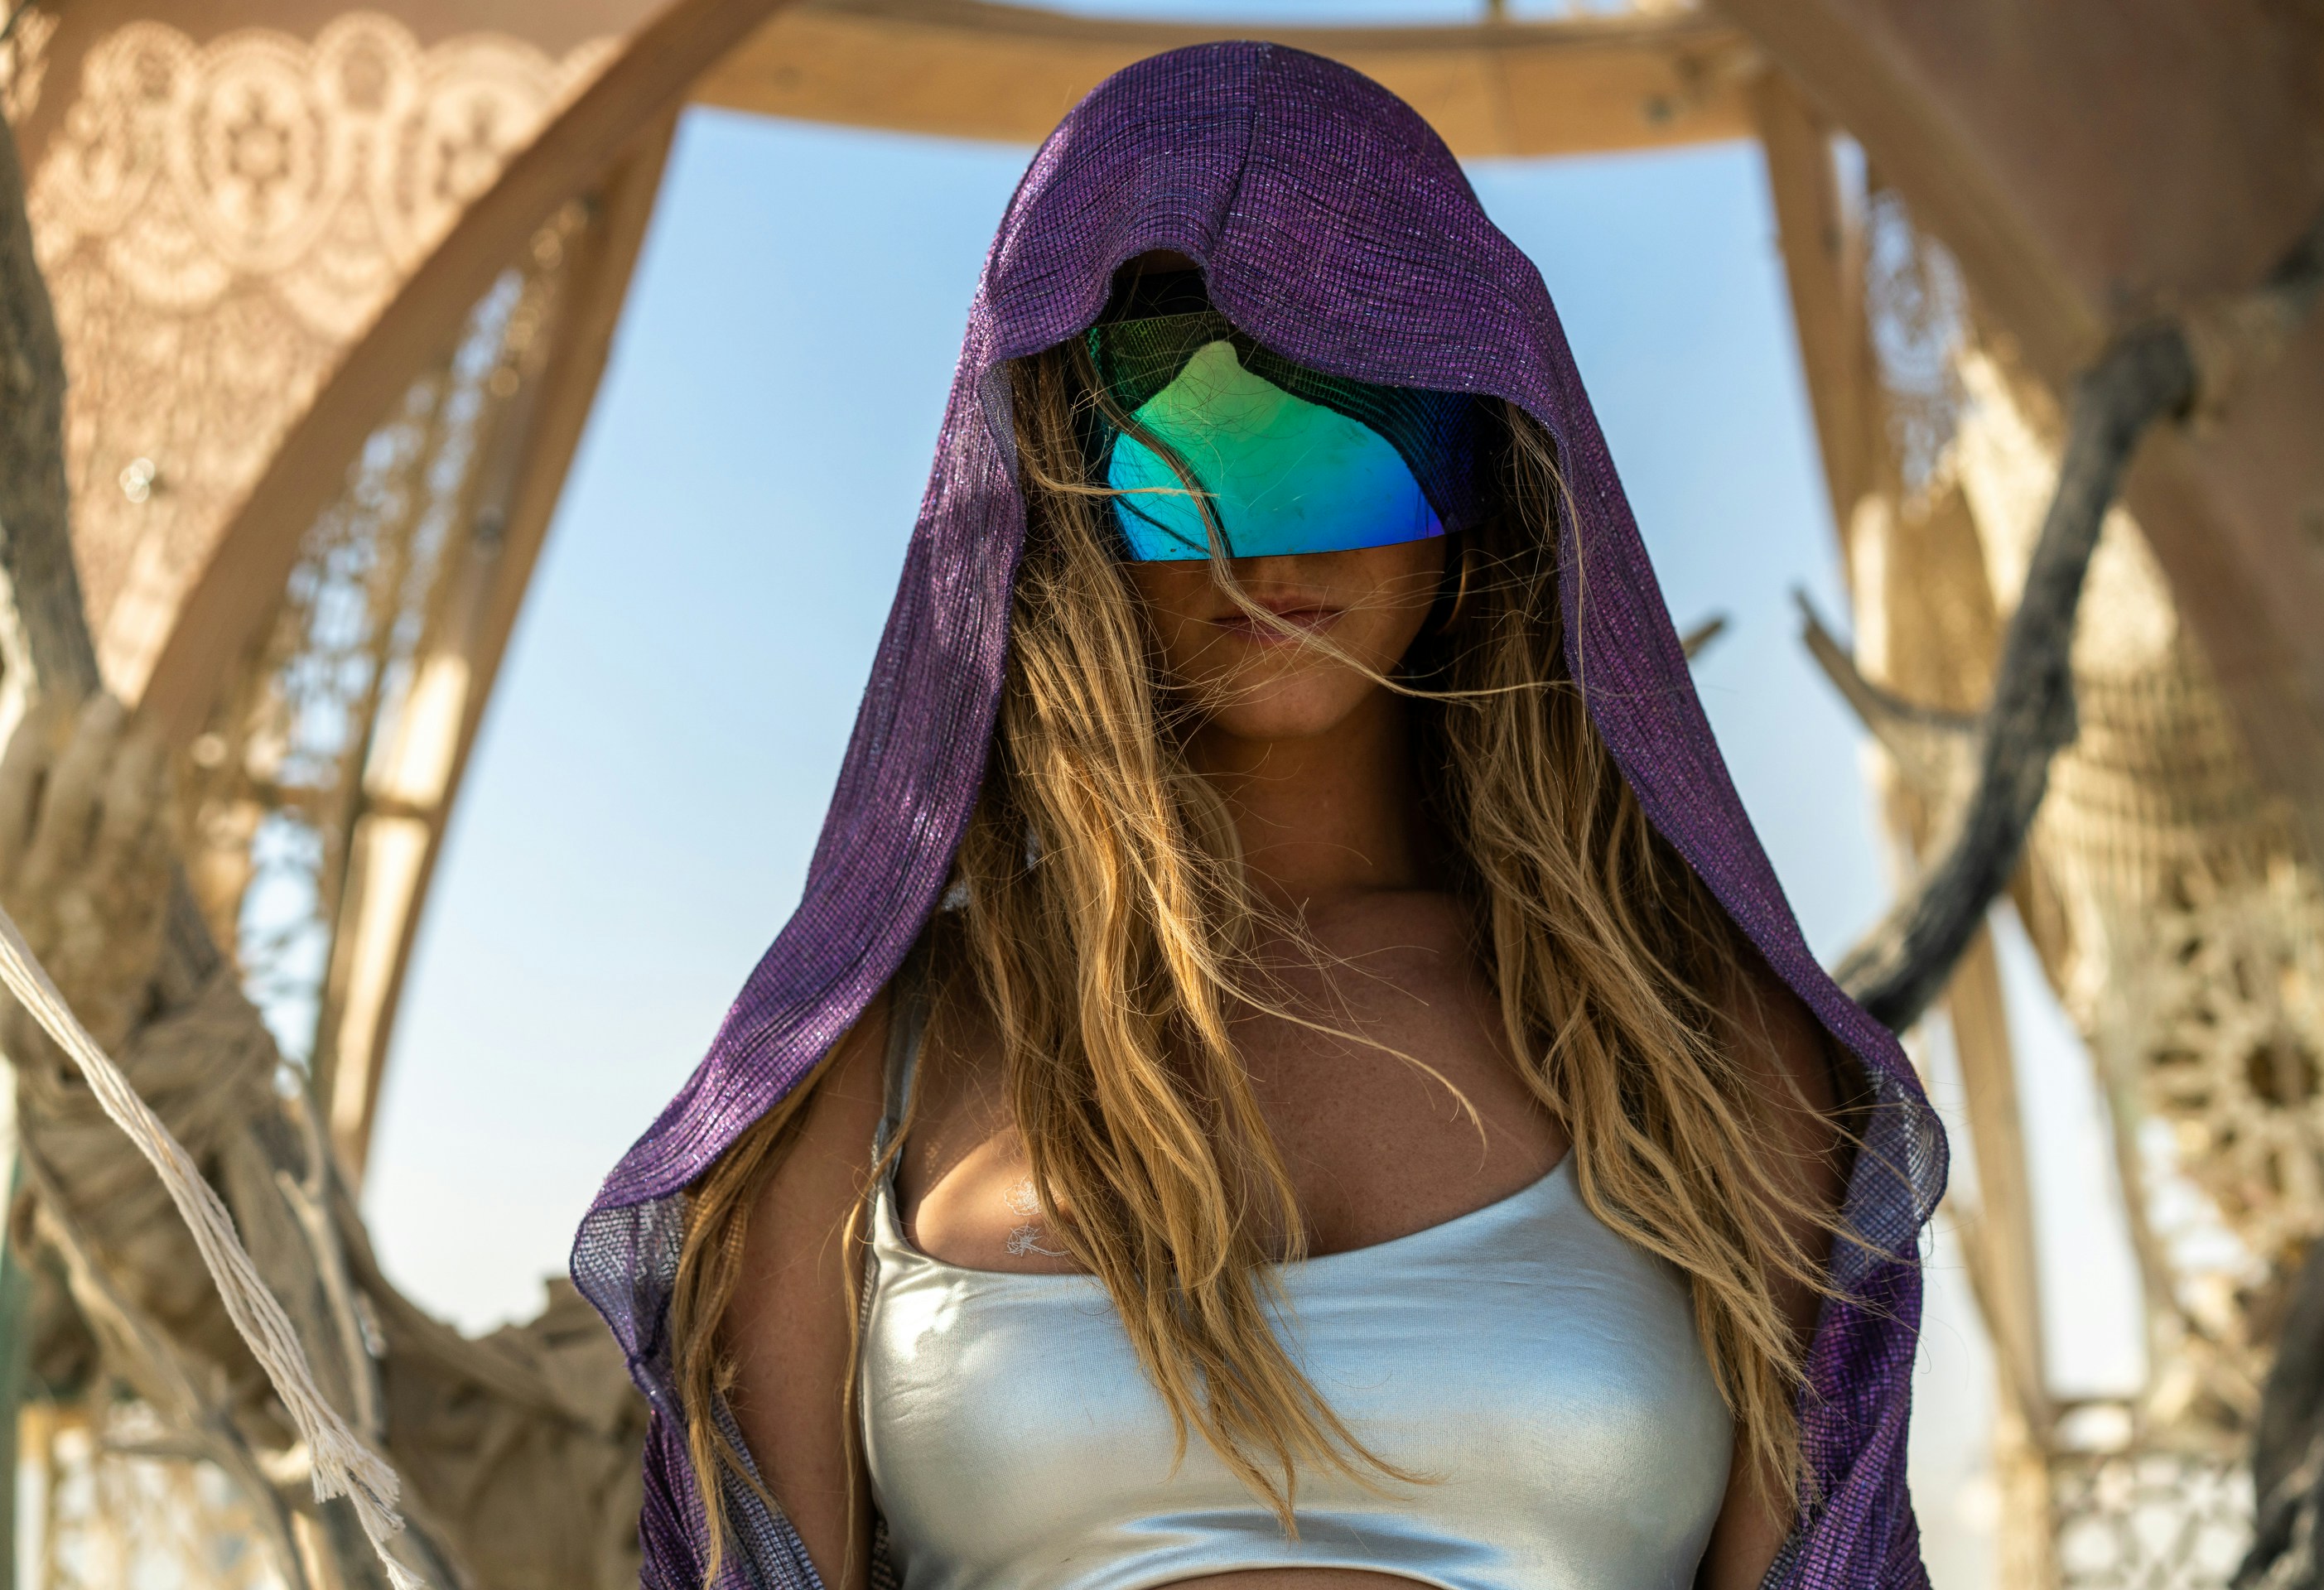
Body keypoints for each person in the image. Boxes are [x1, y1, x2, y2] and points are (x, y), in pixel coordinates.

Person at [573, 41, 1946, 1590]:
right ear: (1050, 490)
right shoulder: (871, 1062)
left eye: (1352, 433)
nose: (1261, 540)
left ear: (1490, 455)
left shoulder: (1708, 1054)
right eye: (1175, 450)